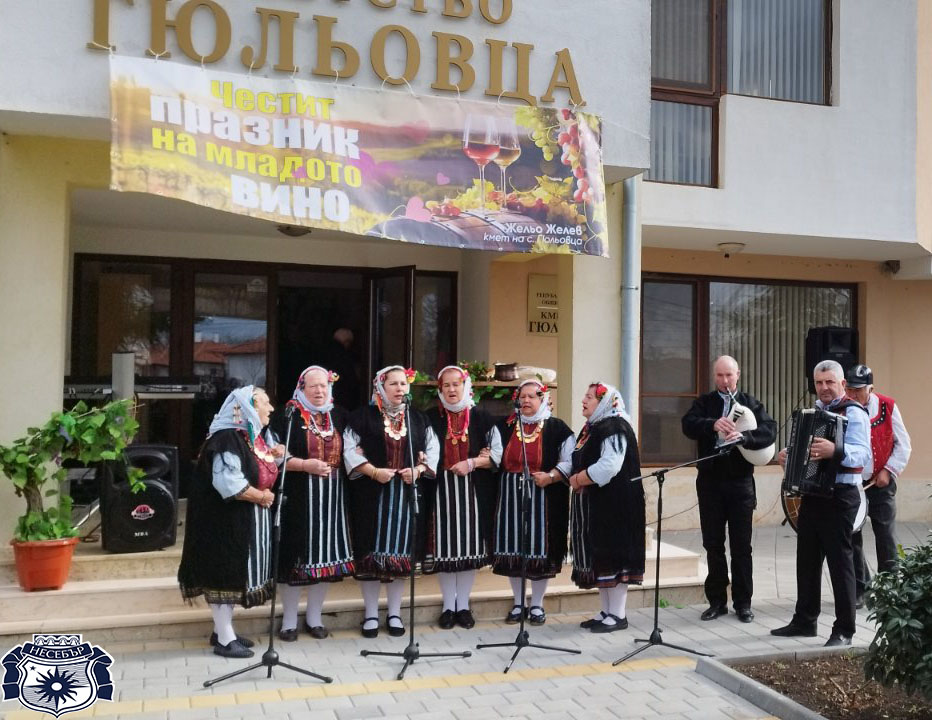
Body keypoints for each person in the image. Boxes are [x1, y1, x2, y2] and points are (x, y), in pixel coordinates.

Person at [772, 360, 871, 646]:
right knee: (807, 561)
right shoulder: (814, 413)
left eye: (829, 382)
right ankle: (805, 621)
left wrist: (835, 450)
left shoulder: (854, 413)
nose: (824, 387)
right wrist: (788, 456)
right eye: (819, 382)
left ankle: (844, 630)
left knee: (841, 565)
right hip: (813, 495)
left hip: (841, 496)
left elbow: (863, 456)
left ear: (843, 384)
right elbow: (807, 454)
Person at [178, 386, 280, 659]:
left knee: (233, 576)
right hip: (223, 523)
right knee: (224, 577)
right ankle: (224, 639)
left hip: (243, 520)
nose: (271, 408)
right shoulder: (226, 440)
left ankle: (222, 631)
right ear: (247, 408)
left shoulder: (247, 438)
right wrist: (262, 497)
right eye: (265, 403)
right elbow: (229, 484)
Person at [343, 366, 439, 638]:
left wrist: (418, 470)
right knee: (370, 555)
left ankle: (395, 613)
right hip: (372, 496)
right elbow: (349, 450)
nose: (399, 389)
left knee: (401, 556)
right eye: (393, 384)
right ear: (380, 388)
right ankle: (371, 614)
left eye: (403, 384)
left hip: (406, 497)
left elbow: (433, 450)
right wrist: (374, 472)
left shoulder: (418, 419)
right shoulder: (361, 417)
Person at [681, 355, 777, 623]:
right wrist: (712, 424)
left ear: (738, 375)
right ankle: (717, 601)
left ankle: (743, 603)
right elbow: (688, 424)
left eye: (729, 375)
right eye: (720, 375)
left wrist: (745, 437)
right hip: (710, 482)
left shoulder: (750, 403)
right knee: (713, 544)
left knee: (741, 545)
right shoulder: (705, 402)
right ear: (715, 376)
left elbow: (770, 430)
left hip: (740, 483)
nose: (724, 380)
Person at [270, 366, 354, 641]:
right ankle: (289, 620)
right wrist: (305, 465)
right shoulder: (288, 415)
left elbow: (355, 447)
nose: (319, 391)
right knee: (296, 558)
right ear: (301, 388)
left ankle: (315, 617)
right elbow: (273, 454)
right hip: (299, 496)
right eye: (313, 386)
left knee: (324, 557)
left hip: (333, 496)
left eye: (323, 386)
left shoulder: (339, 415)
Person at [488, 380, 574, 625]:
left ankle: (536, 604)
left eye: (532, 396)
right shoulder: (504, 426)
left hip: (544, 496)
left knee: (540, 550)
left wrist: (552, 476)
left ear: (543, 399)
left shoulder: (558, 428)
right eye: (522, 396)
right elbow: (495, 456)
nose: (526, 400)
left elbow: (569, 461)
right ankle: (518, 603)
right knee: (514, 549)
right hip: (510, 496)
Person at [568, 383, 646, 633]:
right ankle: (606, 611)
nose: (583, 400)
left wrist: (579, 479)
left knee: (615, 556)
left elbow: (609, 466)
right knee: (601, 557)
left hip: (617, 505)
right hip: (599, 504)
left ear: (604, 402)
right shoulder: (594, 428)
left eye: (589, 397)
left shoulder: (615, 427)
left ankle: (618, 614)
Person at [423, 365, 496, 630]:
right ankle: (447, 606)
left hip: (472, 490)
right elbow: (424, 449)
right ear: (440, 389)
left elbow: (497, 454)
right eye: (446, 385)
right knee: (444, 547)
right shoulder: (430, 417)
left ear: (466, 387)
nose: (452, 389)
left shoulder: (482, 417)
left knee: (468, 547)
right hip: (441, 489)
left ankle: (463, 605)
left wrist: (474, 462)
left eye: (456, 384)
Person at [844, 364, 911, 607]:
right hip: (853, 483)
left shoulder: (887, 406)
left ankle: (890, 588)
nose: (853, 395)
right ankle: (860, 588)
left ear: (870, 389)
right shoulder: (843, 408)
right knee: (852, 537)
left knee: (885, 536)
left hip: (881, 483)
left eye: (859, 390)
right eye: (850, 389)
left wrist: (888, 471)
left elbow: (903, 445)